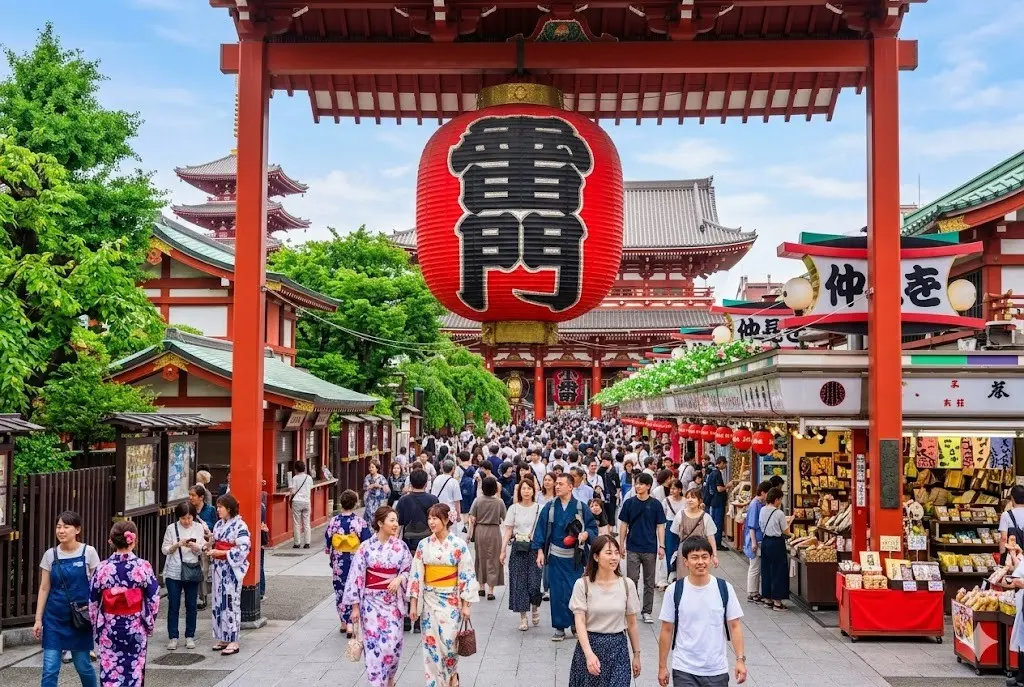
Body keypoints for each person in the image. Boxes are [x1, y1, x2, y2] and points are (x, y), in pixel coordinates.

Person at [657, 536, 746, 687]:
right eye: (695, 557)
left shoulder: (724, 588)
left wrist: (740, 660)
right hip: (684, 668)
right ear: (685, 561)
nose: (700, 562)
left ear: (711, 559)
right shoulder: (675, 590)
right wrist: (662, 666)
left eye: (705, 557)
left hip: (716, 670)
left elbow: (735, 626)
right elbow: (666, 630)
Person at [408, 504, 479, 687]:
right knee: (431, 647)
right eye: (429, 518)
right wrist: (414, 604)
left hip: (451, 601)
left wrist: (465, 605)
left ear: (446, 520)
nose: (431, 522)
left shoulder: (458, 545)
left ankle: (452, 676)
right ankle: (435, 683)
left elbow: (466, 575)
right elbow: (416, 575)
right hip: (430, 599)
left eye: (435, 518)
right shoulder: (424, 545)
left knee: (449, 645)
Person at [344, 506, 413, 687]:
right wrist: (355, 607)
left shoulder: (401, 547)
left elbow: (409, 571)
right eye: (391, 520)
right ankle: (377, 683)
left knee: (393, 645)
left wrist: (399, 578)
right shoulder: (365, 547)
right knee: (374, 649)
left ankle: (390, 678)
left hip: (392, 604)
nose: (396, 524)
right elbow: (356, 576)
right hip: (370, 603)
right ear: (380, 523)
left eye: (396, 520)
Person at [89, 521, 160, 687]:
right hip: (135, 626)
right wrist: (148, 623)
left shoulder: (102, 568)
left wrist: (96, 626)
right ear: (133, 541)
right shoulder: (143, 566)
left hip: (109, 627)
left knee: (110, 671)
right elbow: (154, 598)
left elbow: (92, 601)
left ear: (112, 541)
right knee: (134, 670)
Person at [34, 510, 100, 687]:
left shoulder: (89, 552)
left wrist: (95, 612)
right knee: (50, 668)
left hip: (80, 618)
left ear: (77, 530)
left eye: (66, 527)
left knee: (83, 665)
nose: (61, 531)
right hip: (54, 618)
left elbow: (97, 587)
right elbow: (44, 587)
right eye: (58, 527)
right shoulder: (50, 555)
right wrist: (38, 619)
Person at [532, 472, 598, 641]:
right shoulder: (550, 507)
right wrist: (540, 551)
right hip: (555, 557)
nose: (557, 486)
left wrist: (585, 534)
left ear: (570, 486)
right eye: (557, 484)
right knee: (557, 592)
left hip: (575, 558)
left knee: (575, 591)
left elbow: (593, 529)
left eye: (561, 484)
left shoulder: (581, 507)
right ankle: (560, 627)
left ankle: (576, 623)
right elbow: (540, 530)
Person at [569, 535, 641, 687]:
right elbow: (580, 622)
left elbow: (632, 623)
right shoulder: (583, 585)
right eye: (608, 553)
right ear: (596, 556)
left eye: (616, 552)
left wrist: (636, 654)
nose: (614, 557)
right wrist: (588, 654)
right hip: (591, 646)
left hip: (618, 649)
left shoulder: (627, 585)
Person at [618, 471, 666, 624]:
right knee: (632, 580)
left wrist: (662, 546)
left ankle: (647, 611)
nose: (637, 486)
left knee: (649, 581)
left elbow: (660, 526)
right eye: (636, 483)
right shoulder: (629, 503)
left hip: (650, 547)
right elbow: (624, 525)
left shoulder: (656, 504)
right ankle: (633, 607)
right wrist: (621, 544)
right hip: (632, 546)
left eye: (640, 484)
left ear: (648, 486)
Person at [395, 468, 438, 633]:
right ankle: (419, 619)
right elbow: (437, 522)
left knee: (408, 579)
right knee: (424, 581)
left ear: (410, 483)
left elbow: (399, 525)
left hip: (408, 544)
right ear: (426, 483)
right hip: (427, 544)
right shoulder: (433, 499)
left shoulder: (404, 501)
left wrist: (396, 543)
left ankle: (406, 617)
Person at [209, 493, 252, 654]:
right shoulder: (219, 524)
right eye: (218, 506)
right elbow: (214, 541)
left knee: (230, 602)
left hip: (230, 570)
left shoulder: (240, 526)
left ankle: (233, 639)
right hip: (218, 569)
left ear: (229, 508)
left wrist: (220, 553)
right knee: (218, 603)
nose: (218, 510)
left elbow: (244, 548)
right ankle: (223, 636)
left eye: (220, 507)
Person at [325, 489, 372, 636]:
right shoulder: (359, 522)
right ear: (356, 503)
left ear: (341, 504)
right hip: (355, 560)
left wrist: (329, 552)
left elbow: (328, 540)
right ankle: (352, 623)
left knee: (340, 590)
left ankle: (344, 623)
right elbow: (366, 542)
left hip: (339, 561)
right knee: (355, 589)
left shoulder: (334, 521)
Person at [161, 501, 205, 650]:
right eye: (183, 518)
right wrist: (177, 545)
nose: (186, 521)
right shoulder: (171, 529)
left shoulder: (199, 528)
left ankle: (189, 636)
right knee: (173, 605)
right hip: (174, 571)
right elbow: (165, 550)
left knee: (191, 605)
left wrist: (195, 546)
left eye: (189, 518)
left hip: (191, 569)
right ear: (178, 517)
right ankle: (173, 636)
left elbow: (202, 549)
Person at [501, 477, 543, 630]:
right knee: (519, 583)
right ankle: (523, 617)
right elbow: (508, 531)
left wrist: (541, 550)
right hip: (518, 548)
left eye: (529, 488)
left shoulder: (540, 508)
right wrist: (503, 550)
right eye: (523, 488)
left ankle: (535, 607)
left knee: (534, 582)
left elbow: (542, 531)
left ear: (534, 491)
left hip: (534, 548)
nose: (526, 491)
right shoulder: (514, 508)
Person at [468, 475, 507, 599]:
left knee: (480, 558)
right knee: (493, 559)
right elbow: (505, 518)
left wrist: (469, 535)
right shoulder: (499, 502)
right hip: (494, 531)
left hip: (480, 530)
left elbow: (471, 518)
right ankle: (491, 590)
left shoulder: (477, 501)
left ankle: (481, 587)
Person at [670, 487, 719, 578]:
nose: (690, 500)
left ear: (699, 500)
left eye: (693, 497)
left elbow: (711, 537)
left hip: (701, 551)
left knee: (700, 577)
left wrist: (714, 555)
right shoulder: (680, 515)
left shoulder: (706, 517)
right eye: (688, 497)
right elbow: (674, 535)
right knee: (683, 578)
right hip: (684, 552)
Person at [759, 487, 793, 611]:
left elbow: (761, 525)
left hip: (765, 542)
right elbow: (786, 531)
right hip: (776, 543)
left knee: (766, 569)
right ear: (777, 499)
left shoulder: (762, 510)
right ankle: (777, 602)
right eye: (780, 499)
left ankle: (767, 599)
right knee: (778, 571)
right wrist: (789, 524)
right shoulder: (779, 513)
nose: (780, 502)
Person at [743, 482, 770, 603]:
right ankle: (752, 592)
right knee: (754, 566)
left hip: (758, 539)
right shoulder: (755, 504)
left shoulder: (759, 504)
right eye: (768, 493)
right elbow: (752, 526)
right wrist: (753, 542)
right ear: (763, 492)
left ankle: (754, 592)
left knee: (756, 567)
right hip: (755, 539)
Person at [702, 457, 729, 550]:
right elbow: (719, 488)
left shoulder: (712, 472)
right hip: (718, 501)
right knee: (718, 523)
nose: (725, 466)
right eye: (725, 464)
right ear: (721, 463)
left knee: (714, 522)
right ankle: (717, 543)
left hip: (713, 501)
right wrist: (727, 486)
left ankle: (713, 542)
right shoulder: (717, 473)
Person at [662, 480, 686, 582]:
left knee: (681, 550)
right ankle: (670, 573)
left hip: (683, 526)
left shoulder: (685, 500)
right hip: (670, 526)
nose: (672, 491)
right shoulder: (666, 500)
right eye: (671, 488)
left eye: (674, 488)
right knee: (670, 550)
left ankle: (681, 573)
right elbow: (663, 515)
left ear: (680, 489)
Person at [289, 460, 314, 549]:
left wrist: (289, 500)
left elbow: (292, 491)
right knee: (306, 523)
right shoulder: (309, 478)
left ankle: (297, 543)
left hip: (296, 501)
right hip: (306, 501)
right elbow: (310, 488)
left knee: (297, 523)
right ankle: (307, 543)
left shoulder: (295, 478)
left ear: (296, 469)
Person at [431, 459, 464, 524]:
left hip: (438, 510)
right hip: (450, 512)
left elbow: (433, 495)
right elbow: (457, 501)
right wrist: (458, 515)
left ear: (442, 468)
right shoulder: (454, 482)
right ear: (453, 469)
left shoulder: (436, 479)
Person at [1001, 485, 1024, 556]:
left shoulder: (1006, 515)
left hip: (1013, 555)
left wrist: (1002, 556)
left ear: (1012, 498)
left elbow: (1003, 538)